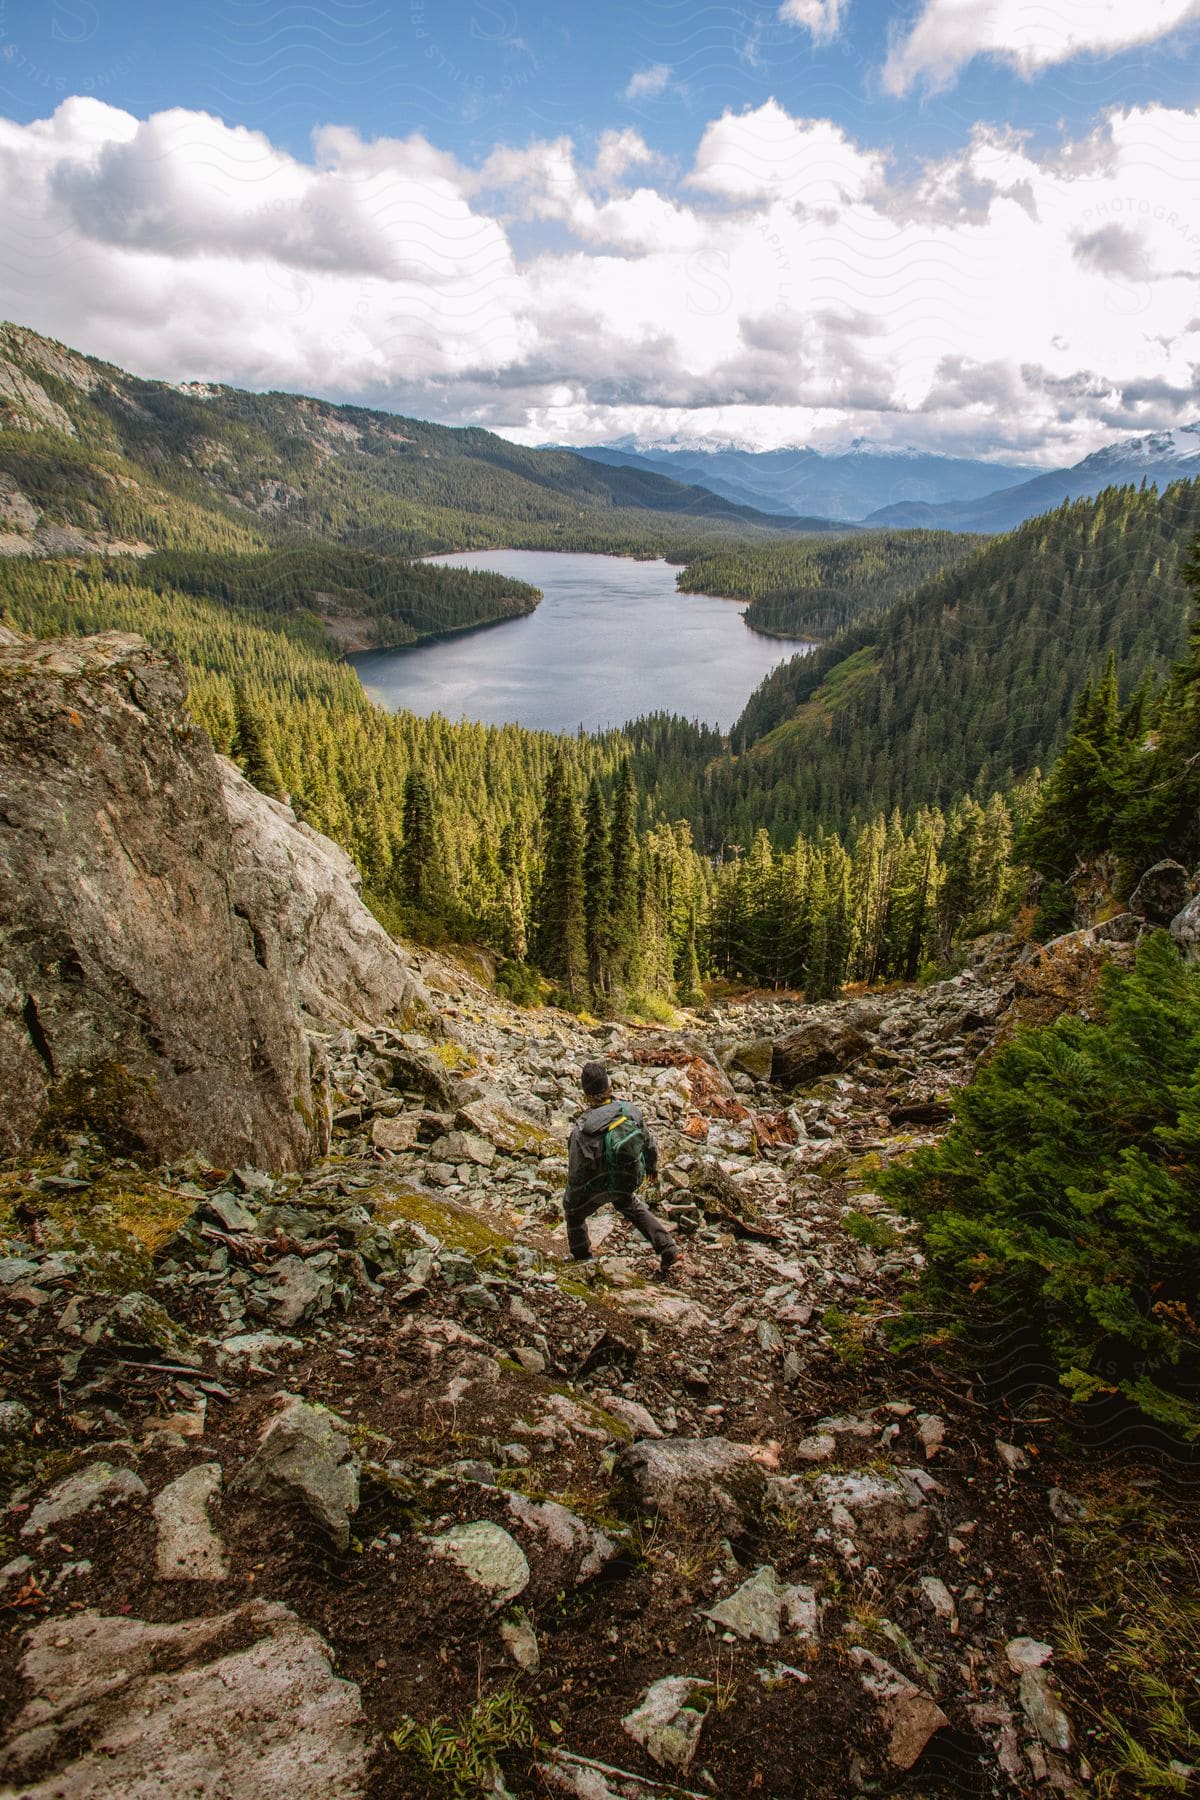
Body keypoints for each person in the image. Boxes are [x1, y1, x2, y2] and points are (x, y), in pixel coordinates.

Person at [563, 1060, 680, 1280]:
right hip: (626, 1179)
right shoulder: (630, 1110)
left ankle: (583, 1258)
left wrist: (574, 1196)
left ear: (585, 1091)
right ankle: (668, 1249)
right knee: (629, 1203)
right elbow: (649, 1143)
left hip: (595, 1185)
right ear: (608, 1085)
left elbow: (576, 1172)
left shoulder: (581, 1128)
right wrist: (651, 1167)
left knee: (572, 1211)